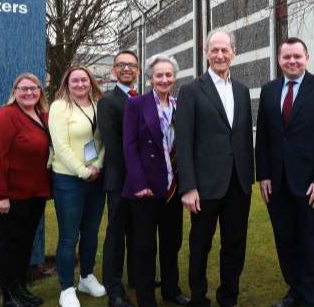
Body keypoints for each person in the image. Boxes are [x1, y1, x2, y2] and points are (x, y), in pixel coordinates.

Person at [256, 37, 314, 307]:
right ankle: (295, 290)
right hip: (278, 184)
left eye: (297, 56)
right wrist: (264, 175)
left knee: (312, 244)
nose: (292, 61)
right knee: (286, 241)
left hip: (312, 185)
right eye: (286, 57)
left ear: (306, 58)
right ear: (279, 60)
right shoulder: (269, 90)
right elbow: (264, 138)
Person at [176, 30, 255, 307]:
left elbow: (243, 137)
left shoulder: (242, 91)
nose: (220, 55)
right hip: (204, 185)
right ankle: (199, 298)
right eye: (215, 50)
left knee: (235, 245)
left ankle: (228, 297)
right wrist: (188, 187)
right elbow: (183, 142)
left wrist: (250, 177)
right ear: (206, 53)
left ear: (234, 52)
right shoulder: (190, 90)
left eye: (225, 50)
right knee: (200, 245)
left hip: (238, 183)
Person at [123, 54, 189, 307]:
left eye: (168, 75)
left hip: (172, 188)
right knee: (144, 247)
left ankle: (171, 291)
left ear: (175, 77)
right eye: (159, 75)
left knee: (172, 243)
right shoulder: (136, 105)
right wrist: (139, 184)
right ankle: (146, 297)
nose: (164, 79)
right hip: (145, 189)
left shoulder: (178, 104)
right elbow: (129, 146)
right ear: (150, 78)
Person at [0, 72, 52, 307]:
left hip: (35, 195)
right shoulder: (4, 117)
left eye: (34, 88)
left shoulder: (42, 116)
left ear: (40, 92)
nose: (29, 92)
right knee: (11, 247)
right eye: (23, 88)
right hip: (11, 197)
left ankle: (21, 290)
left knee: (24, 246)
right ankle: (10, 297)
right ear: (14, 92)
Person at [48, 65, 106, 307]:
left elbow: (102, 140)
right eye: (75, 81)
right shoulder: (59, 107)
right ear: (67, 83)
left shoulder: (97, 103)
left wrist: (98, 165)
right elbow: (60, 146)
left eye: (84, 80)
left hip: (95, 177)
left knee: (91, 232)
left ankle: (86, 276)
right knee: (69, 236)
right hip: (69, 179)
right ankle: (66, 288)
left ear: (91, 82)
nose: (81, 84)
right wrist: (83, 171)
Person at [98, 51, 140, 307]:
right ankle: (114, 289)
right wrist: (135, 175)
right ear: (114, 70)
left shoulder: (143, 98)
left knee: (138, 232)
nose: (127, 69)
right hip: (120, 180)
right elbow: (113, 148)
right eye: (122, 65)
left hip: (141, 182)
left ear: (137, 70)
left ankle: (136, 277)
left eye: (131, 65)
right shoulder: (107, 102)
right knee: (116, 235)